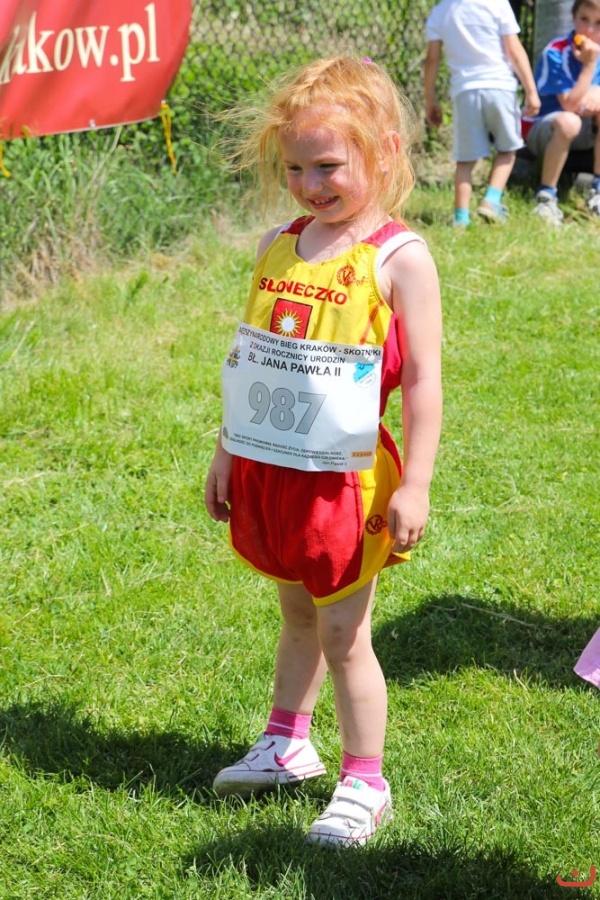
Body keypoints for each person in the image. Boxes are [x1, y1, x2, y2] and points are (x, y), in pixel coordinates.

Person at [204, 55, 443, 848]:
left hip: (347, 481)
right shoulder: (278, 245)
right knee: (297, 613)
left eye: (329, 166)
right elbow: (254, 362)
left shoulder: (399, 258)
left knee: (345, 634)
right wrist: (226, 452)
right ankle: (287, 743)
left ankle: (365, 782)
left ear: (385, 149)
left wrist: (415, 484)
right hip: (274, 469)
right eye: (296, 168)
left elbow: (424, 383)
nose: (310, 185)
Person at [424, 0, 540, 226]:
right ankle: (491, 200)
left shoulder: (440, 12)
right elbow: (515, 51)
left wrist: (430, 100)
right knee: (508, 150)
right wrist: (531, 91)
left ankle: (461, 219)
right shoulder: (497, 4)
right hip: (500, 87)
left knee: (465, 160)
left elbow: (432, 59)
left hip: (465, 92)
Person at [522, 0, 600, 226]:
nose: (590, 30)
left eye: (598, 23)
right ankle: (546, 197)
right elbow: (569, 105)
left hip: (585, 128)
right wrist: (589, 66)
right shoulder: (556, 52)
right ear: (573, 18)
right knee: (569, 122)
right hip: (545, 129)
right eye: (584, 20)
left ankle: (597, 189)